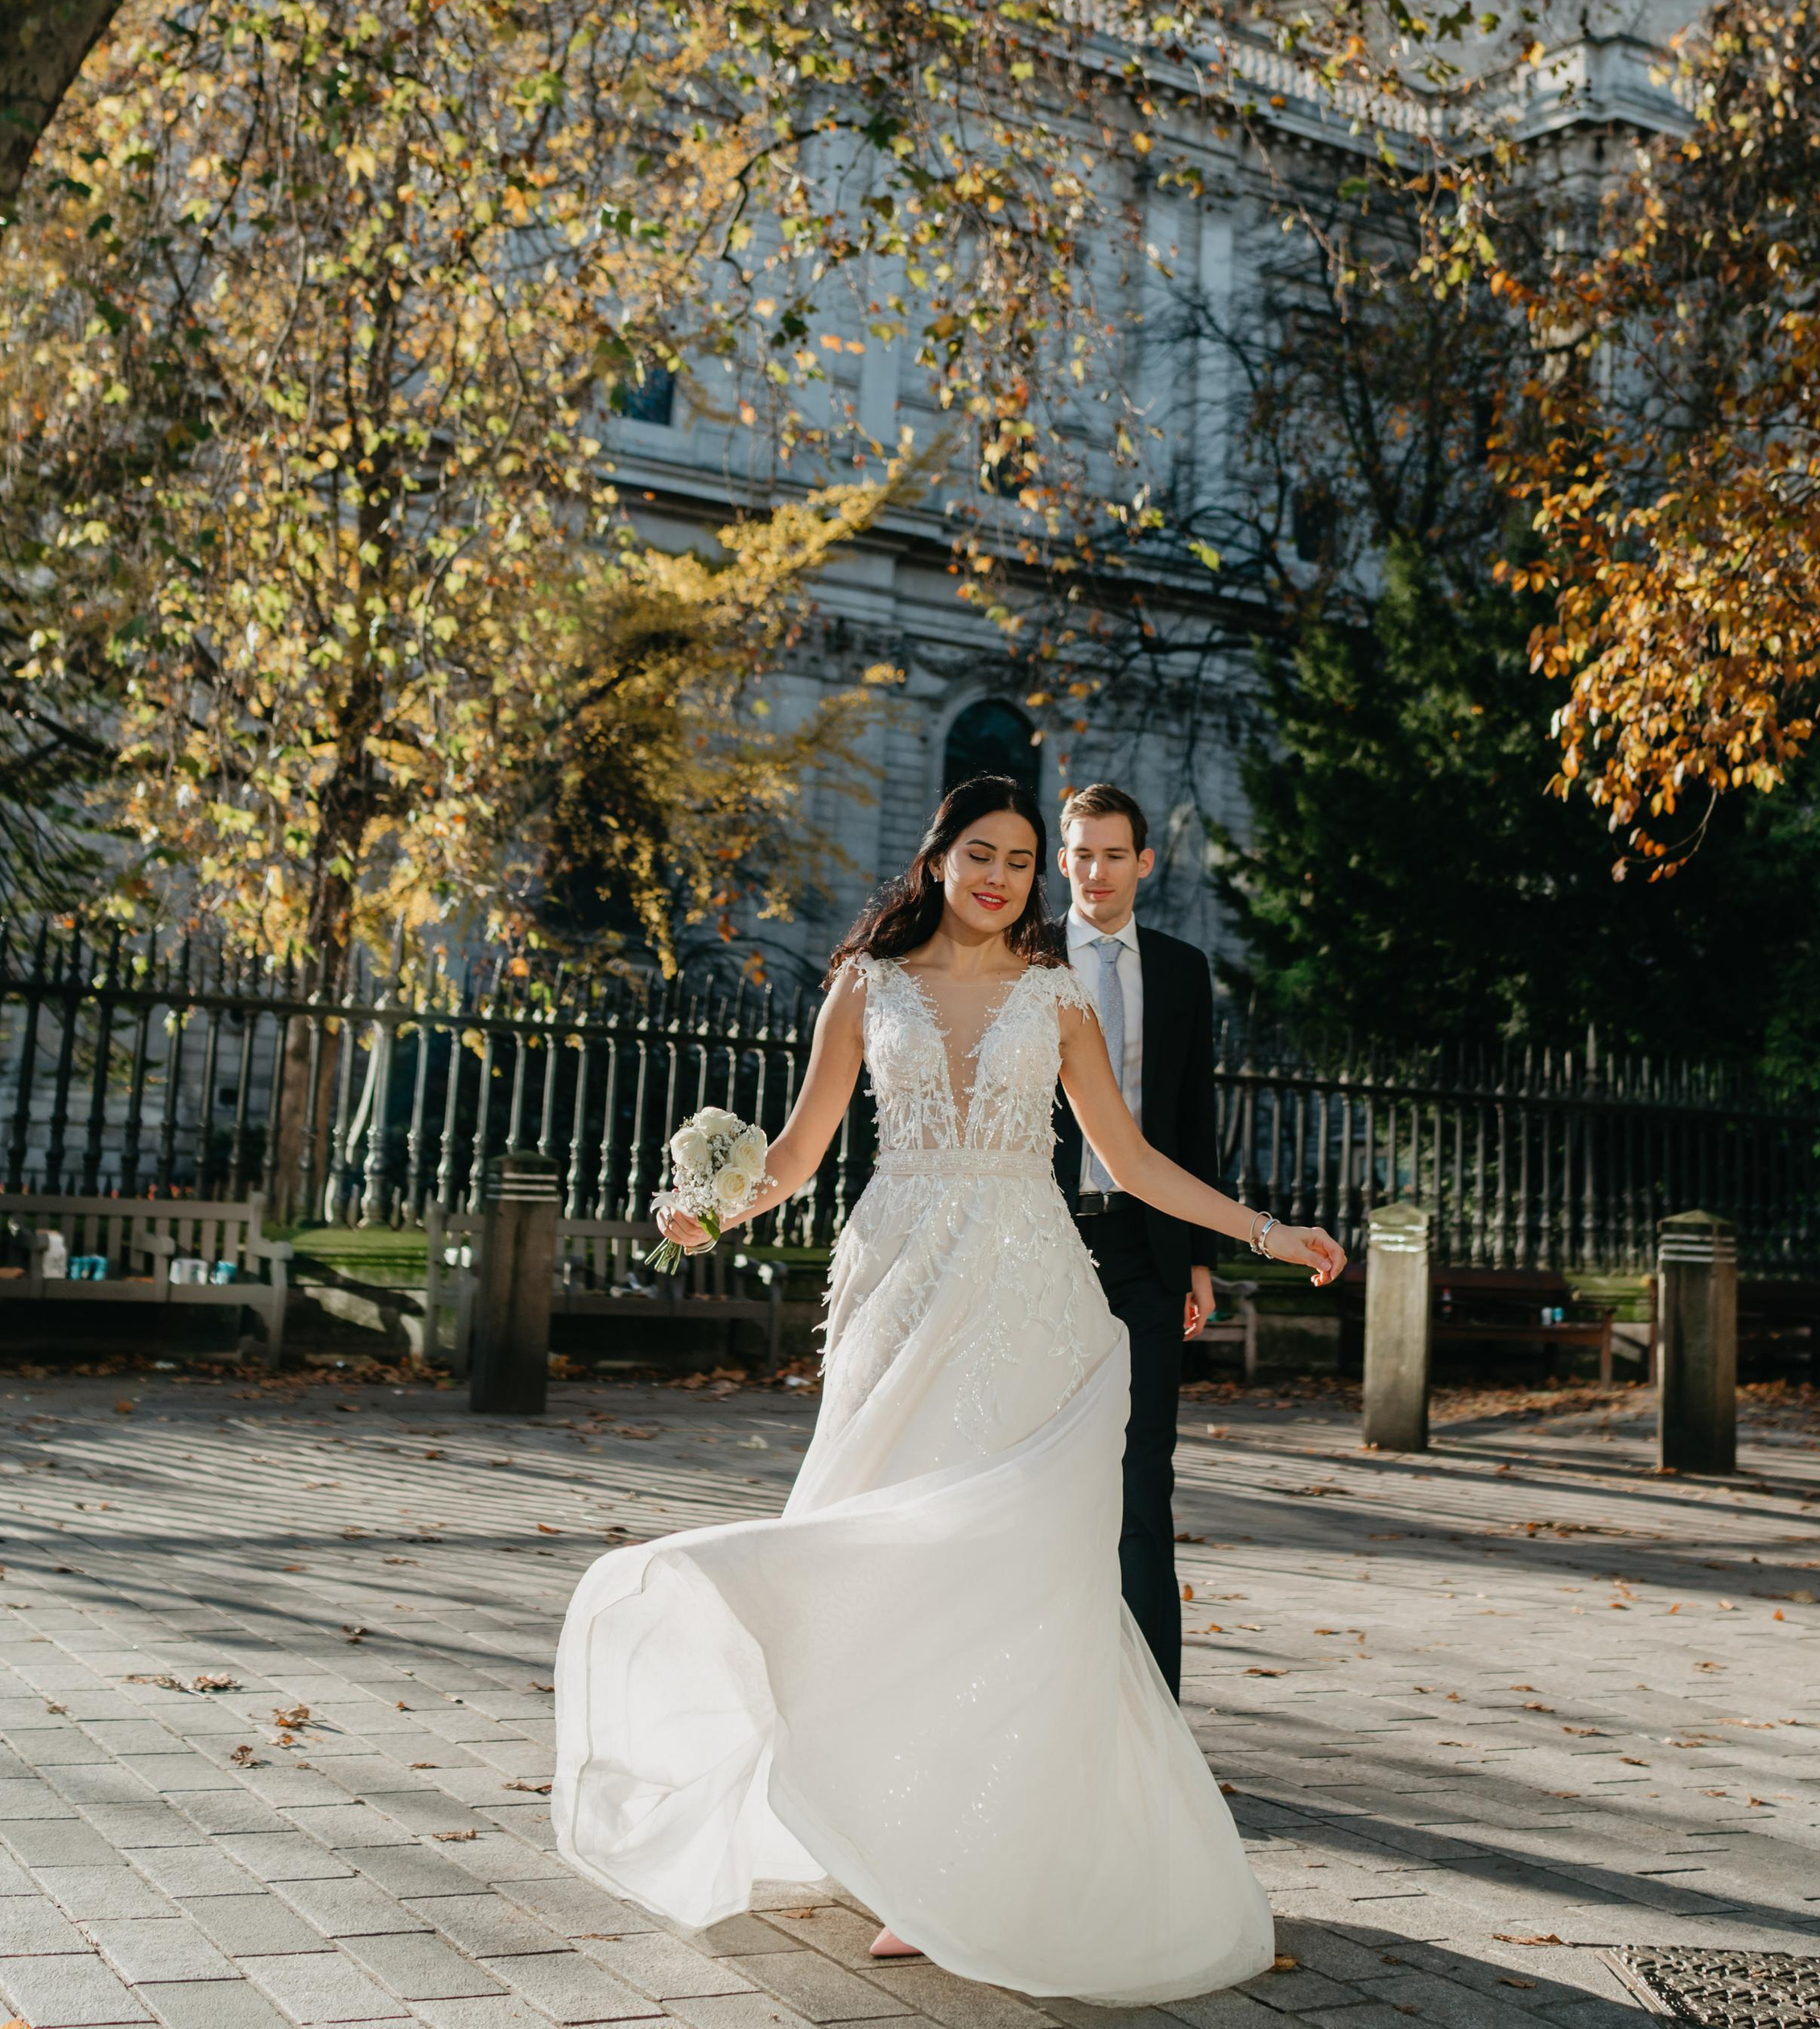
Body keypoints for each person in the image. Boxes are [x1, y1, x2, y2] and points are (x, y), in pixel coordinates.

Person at [553, 773, 1344, 2006]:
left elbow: (1132, 1159)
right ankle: (887, 1825)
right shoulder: (865, 987)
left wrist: (1262, 1230)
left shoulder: (1057, 996)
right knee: (883, 1540)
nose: (1001, 877)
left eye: (1023, 863)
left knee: (1016, 1563)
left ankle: (977, 1854)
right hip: (903, 1286)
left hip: (1030, 1295)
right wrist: (711, 1206)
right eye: (983, 852)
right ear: (937, 861)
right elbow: (801, 1153)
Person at [1054, 781, 1219, 1699]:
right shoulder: (1022, 959)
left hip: (1148, 1252)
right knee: (1037, 1474)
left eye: (1114, 853)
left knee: (1140, 1476)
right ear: (1064, 857)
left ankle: (1151, 1710)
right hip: (1039, 1245)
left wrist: (1200, 1256)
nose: (1097, 870)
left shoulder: (1183, 969)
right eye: (1081, 852)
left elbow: (1193, 1118)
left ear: (1143, 863)